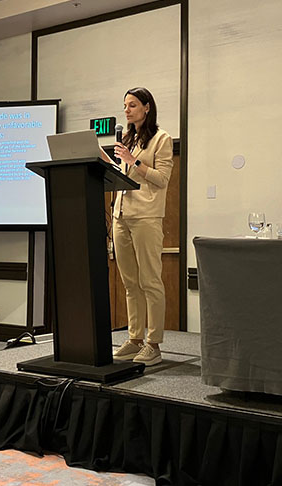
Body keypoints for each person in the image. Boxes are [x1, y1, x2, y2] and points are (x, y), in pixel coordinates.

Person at [100, 87, 173, 366]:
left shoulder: (161, 138)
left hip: (146, 216)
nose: (127, 110)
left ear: (146, 107)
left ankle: (153, 344)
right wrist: (108, 162)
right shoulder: (128, 139)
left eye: (132, 105)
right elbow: (125, 175)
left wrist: (134, 161)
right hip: (121, 214)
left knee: (150, 281)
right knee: (130, 282)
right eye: (125, 106)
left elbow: (161, 179)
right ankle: (134, 338)